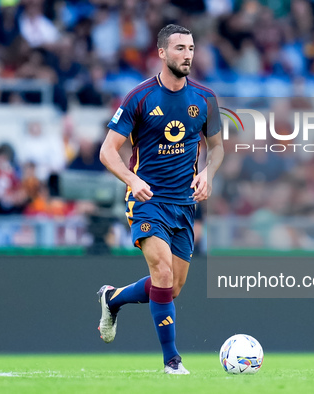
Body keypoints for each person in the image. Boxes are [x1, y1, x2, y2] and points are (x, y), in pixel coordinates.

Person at [97, 24, 224, 375]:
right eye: (180, 48)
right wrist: (132, 178)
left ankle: (113, 298)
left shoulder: (205, 98)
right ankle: (172, 361)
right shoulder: (138, 97)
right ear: (162, 53)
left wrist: (208, 174)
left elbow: (217, 148)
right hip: (148, 199)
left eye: (191, 48)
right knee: (162, 272)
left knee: (172, 287)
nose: (188, 55)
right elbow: (107, 152)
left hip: (184, 204)